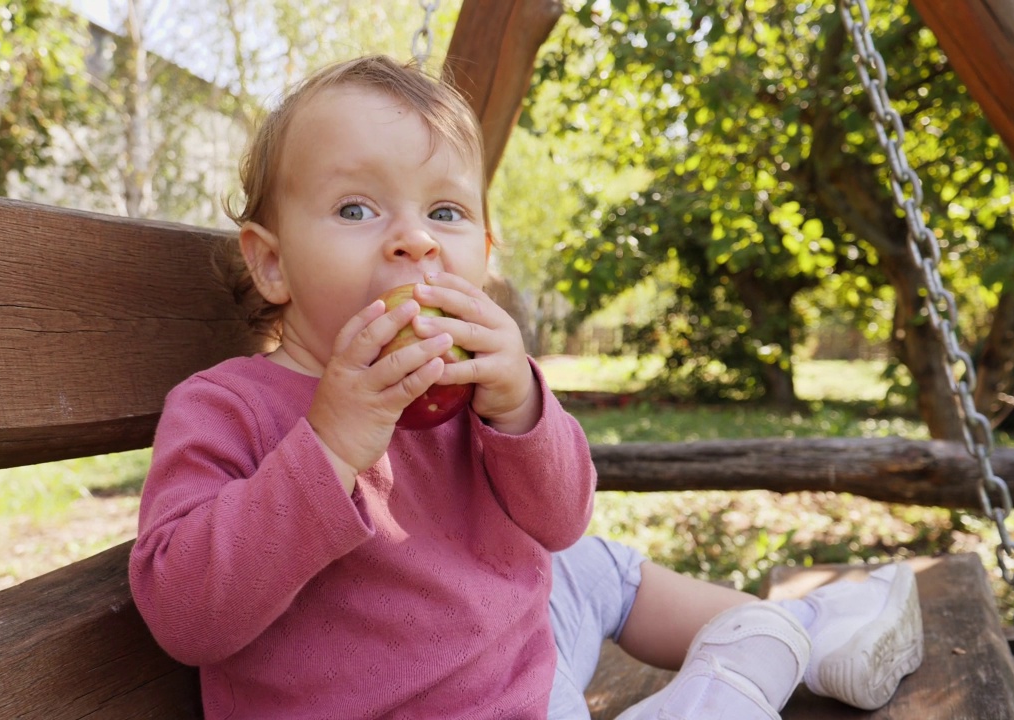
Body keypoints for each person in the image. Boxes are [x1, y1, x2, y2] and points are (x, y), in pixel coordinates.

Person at [128, 54, 924, 720]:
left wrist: (521, 407)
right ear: (271, 262)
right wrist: (332, 445)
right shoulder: (227, 407)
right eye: (357, 207)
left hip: (522, 673)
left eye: (444, 212)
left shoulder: (476, 385)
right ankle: (748, 666)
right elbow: (187, 613)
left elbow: (561, 518)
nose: (413, 240)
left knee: (593, 563)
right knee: (627, 600)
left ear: (485, 250)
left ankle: (806, 626)